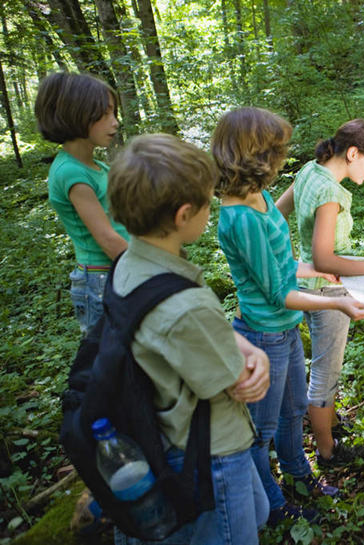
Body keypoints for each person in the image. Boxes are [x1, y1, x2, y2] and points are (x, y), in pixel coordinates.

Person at [210, 108, 364, 523]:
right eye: (277, 151)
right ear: (255, 154)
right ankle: (273, 506)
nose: (284, 159)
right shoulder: (241, 217)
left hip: (282, 333)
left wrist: (318, 269)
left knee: (291, 413)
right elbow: (280, 292)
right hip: (262, 335)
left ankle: (301, 478)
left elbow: (282, 264)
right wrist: (338, 302)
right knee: (260, 432)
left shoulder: (260, 197)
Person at [107, 133, 272, 544]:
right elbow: (237, 383)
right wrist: (257, 362)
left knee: (260, 511)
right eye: (207, 201)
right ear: (184, 215)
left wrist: (246, 345)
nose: (212, 207)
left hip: (171, 432)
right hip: (210, 453)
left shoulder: (132, 265)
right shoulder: (184, 306)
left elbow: (211, 341)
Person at [276, 119, 364, 468]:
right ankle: (328, 452)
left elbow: (275, 216)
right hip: (327, 292)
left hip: (305, 284)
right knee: (325, 372)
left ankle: (330, 423)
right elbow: (324, 258)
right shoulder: (330, 191)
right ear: (352, 154)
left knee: (322, 366)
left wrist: (288, 259)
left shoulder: (309, 171)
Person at [34, 72, 129, 336]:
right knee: (109, 363)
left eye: (115, 113)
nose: (115, 122)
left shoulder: (98, 166)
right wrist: (151, 269)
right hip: (100, 280)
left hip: (118, 270)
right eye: (106, 114)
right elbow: (107, 238)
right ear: (77, 114)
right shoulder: (71, 172)